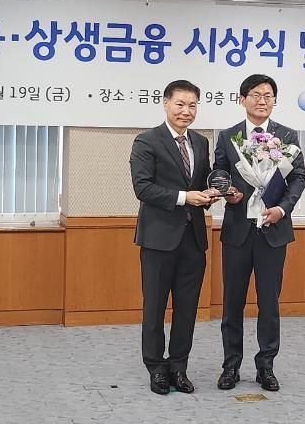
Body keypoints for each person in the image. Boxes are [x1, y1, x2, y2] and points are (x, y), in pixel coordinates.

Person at [213, 74, 305, 392]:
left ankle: (266, 366)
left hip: (273, 230)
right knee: (232, 302)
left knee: (269, 303)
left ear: (274, 101)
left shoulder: (287, 135)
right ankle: (230, 366)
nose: (262, 100)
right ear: (242, 99)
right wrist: (227, 192)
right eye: (255, 94)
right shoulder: (229, 136)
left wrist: (282, 208)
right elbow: (220, 172)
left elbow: (298, 178)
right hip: (238, 231)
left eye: (268, 95)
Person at [130, 79, 214, 395]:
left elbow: (202, 183)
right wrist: (184, 197)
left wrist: (214, 193)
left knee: (187, 308)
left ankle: (179, 367)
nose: (186, 111)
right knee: (154, 308)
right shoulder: (146, 141)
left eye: (192, 105)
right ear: (166, 103)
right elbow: (143, 188)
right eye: (180, 104)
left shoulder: (201, 143)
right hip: (158, 239)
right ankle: (156, 368)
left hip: (193, 239)